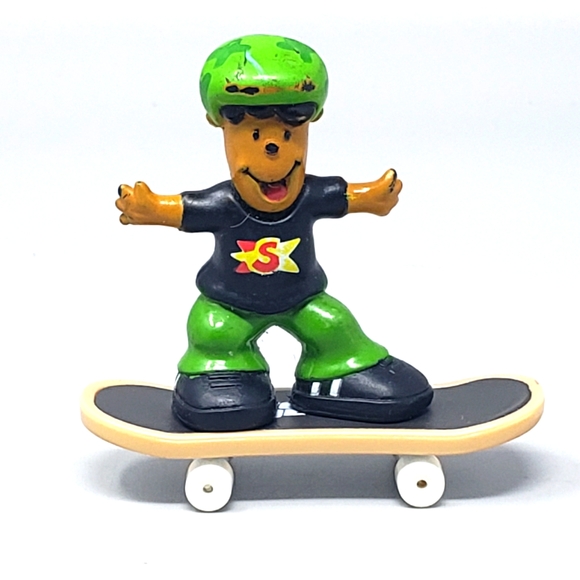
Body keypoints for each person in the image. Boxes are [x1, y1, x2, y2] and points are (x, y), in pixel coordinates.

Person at [116, 34, 433, 432]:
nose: (274, 153)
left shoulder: (309, 195)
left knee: (334, 325)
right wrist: (148, 209)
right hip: (229, 304)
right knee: (212, 331)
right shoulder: (224, 203)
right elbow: (182, 209)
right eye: (254, 137)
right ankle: (223, 370)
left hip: (302, 299)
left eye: (287, 136)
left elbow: (346, 197)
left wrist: (372, 198)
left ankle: (334, 371)